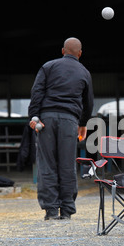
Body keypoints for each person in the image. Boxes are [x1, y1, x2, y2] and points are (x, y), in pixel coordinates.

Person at [28, 37, 94, 220]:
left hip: (46, 119)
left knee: (47, 164)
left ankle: (50, 211)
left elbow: (37, 92)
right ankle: (66, 210)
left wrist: (34, 116)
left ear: (63, 51)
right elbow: (88, 103)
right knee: (67, 165)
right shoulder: (84, 72)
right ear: (80, 54)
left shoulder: (48, 67)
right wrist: (83, 123)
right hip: (69, 120)